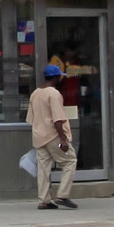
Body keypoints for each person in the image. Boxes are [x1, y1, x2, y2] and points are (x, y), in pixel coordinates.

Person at [27, 64, 77, 210]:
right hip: (54, 136)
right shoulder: (54, 94)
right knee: (70, 161)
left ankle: (44, 200)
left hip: (39, 136)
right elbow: (57, 118)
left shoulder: (35, 93)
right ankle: (62, 195)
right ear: (55, 77)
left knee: (43, 168)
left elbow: (31, 118)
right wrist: (63, 139)